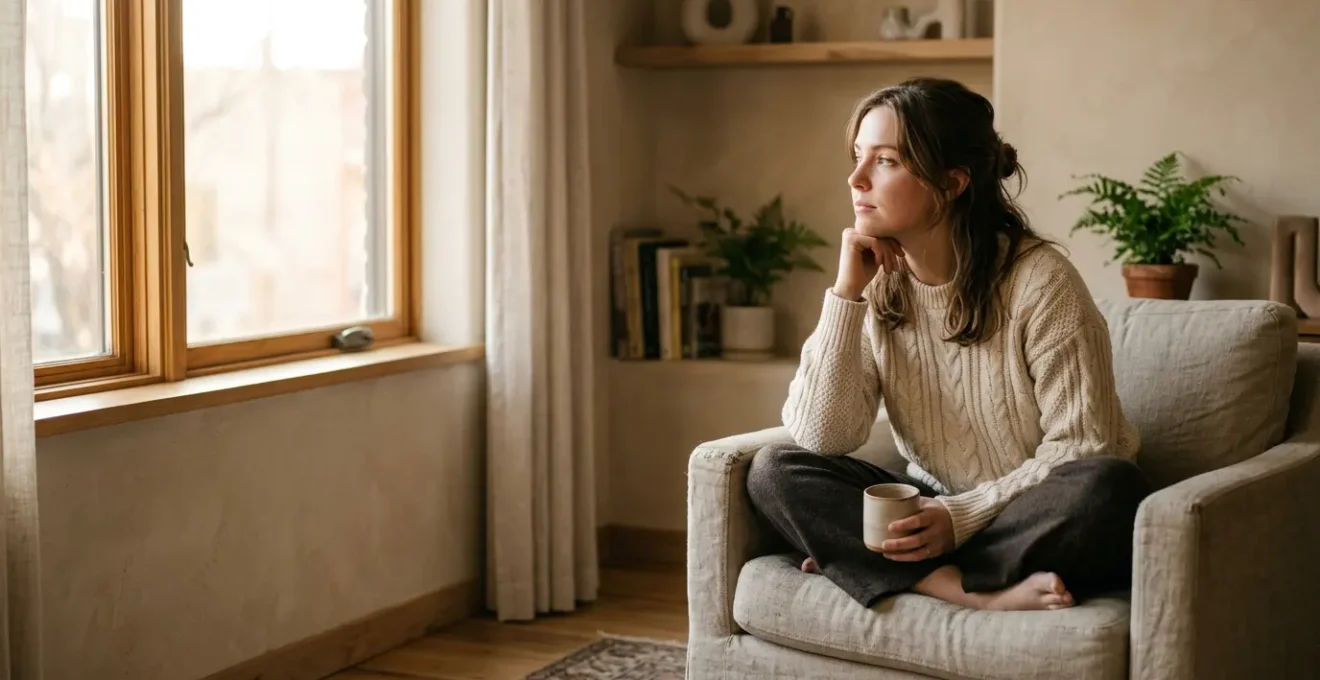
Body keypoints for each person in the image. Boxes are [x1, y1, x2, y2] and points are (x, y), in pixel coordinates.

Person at [746, 77, 1150, 612]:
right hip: (935, 507)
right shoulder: (878, 283)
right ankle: (962, 590)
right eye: (858, 156)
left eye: (885, 161)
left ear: (952, 182)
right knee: (775, 471)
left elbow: (1084, 447)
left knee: (1108, 486)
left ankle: (877, 567)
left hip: (1027, 510)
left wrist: (960, 518)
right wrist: (846, 296)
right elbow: (825, 435)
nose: (856, 178)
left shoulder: (1041, 282)